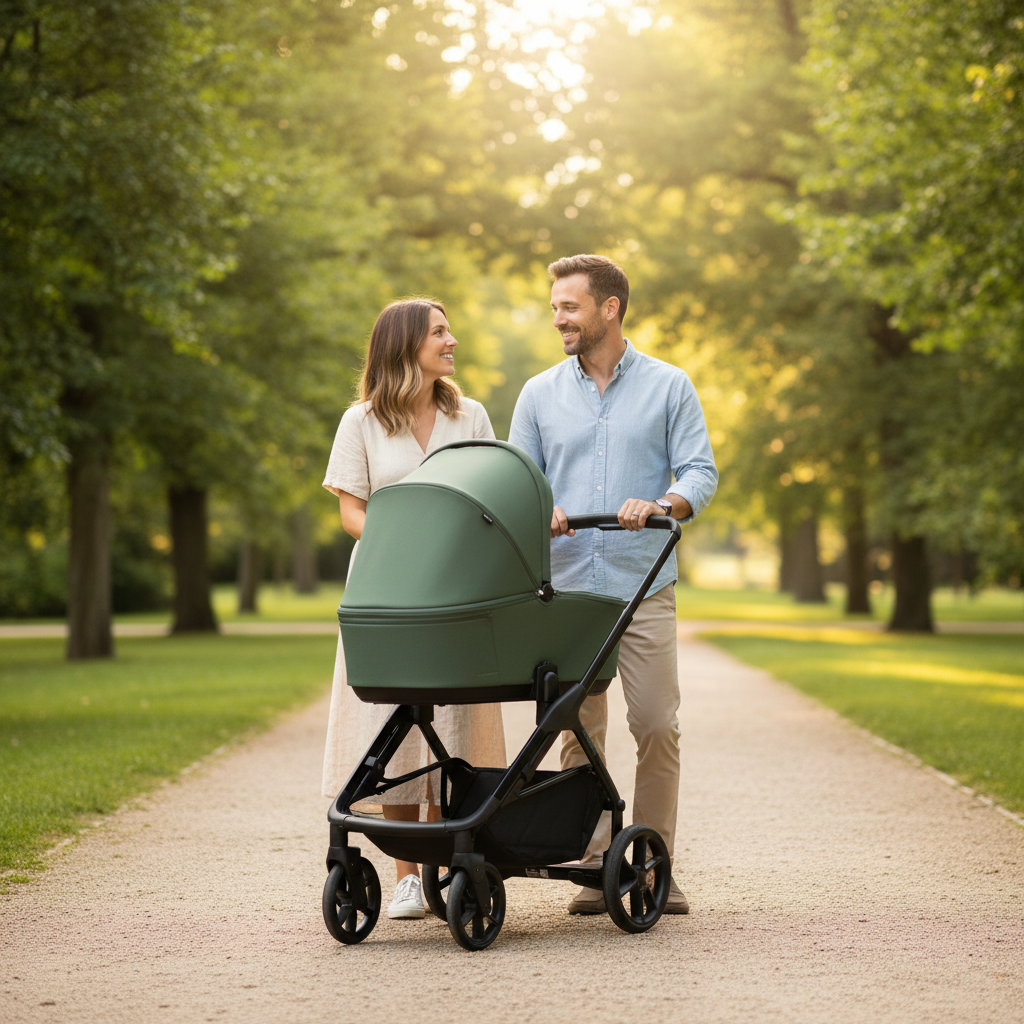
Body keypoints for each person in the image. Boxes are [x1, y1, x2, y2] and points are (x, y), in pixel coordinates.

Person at [509, 254, 718, 916]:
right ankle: (597, 861)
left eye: (568, 306)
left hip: (642, 582)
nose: (558, 318)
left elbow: (700, 472)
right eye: (553, 308)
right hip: (568, 586)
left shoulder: (668, 385)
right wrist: (537, 507)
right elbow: (519, 480)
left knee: (657, 723)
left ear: (610, 307)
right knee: (579, 726)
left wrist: (663, 504)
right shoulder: (539, 394)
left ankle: (654, 861)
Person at [321, 298, 507, 921]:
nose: (451, 340)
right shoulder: (362, 422)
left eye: (449, 328)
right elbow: (351, 509)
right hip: (388, 585)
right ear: (405, 345)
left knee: (455, 723)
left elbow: (490, 496)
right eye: (439, 332)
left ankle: (457, 862)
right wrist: (403, 551)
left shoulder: (470, 414)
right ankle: (405, 875)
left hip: (457, 588)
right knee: (394, 726)